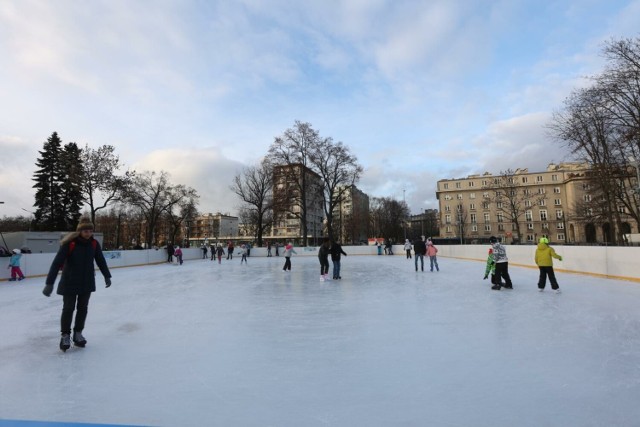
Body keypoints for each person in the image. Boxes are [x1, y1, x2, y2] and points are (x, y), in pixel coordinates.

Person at [42, 216, 111, 352]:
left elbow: (100, 260)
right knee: (68, 309)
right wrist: (49, 283)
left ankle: (78, 333)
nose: (88, 233)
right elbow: (57, 263)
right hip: (70, 281)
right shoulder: (70, 243)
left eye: (90, 231)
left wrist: (107, 275)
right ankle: (65, 335)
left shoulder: (94, 244)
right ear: (80, 231)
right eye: (85, 231)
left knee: (83, 308)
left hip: (87, 281)